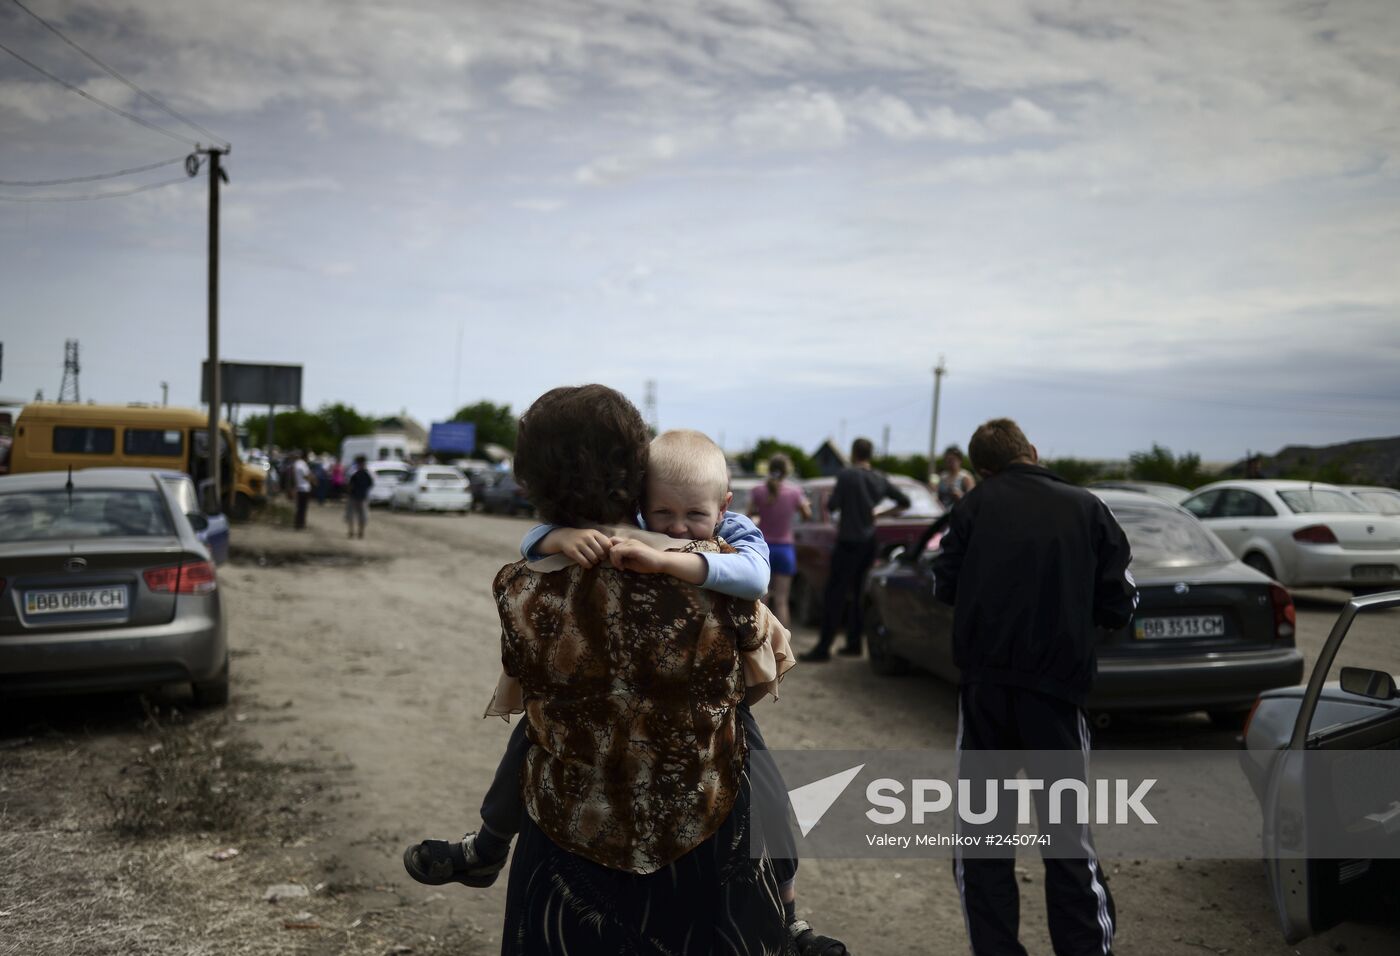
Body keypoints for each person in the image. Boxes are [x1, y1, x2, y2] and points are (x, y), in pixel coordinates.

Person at [403, 393, 844, 955]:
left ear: (528, 478)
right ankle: (789, 913)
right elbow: (761, 678)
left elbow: (526, 697)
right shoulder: (714, 573)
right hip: (702, 834)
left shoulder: (518, 589)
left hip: (565, 841)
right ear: (636, 470)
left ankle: (487, 846)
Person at [931, 418, 1138, 956]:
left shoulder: (971, 507)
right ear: (1034, 452)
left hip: (984, 695)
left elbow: (942, 583)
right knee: (1068, 841)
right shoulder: (1088, 506)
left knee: (982, 842)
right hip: (1057, 695)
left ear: (982, 470)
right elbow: (1121, 603)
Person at [801, 437, 910, 662]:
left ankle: (823, 648)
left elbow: (833, 506)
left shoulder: (847, 476)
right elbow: (904, 502)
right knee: (860, 593)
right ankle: (854, 644)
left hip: (848, 541)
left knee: (835, 595)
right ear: (870, 455)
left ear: (853, 453)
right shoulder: (879, 478)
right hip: (869, 543)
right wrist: (879, 514)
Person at [747, 453, 812, 628]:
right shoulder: (795, 491)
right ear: (787, 471)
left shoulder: (758, 490)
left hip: (763, 549)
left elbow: (749, 515)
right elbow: (807, 515)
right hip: (785, 550)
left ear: (769, 469)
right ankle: (784, 647)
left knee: (762, 599)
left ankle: (760, 640)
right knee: (782, 600)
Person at [935, 444, 976, 509]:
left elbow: (973, 499)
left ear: (960, 460)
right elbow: (936, 495)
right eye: (948, 460)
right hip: (943, 512)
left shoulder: (966, 477)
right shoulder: (942, 476)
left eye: (953, 459)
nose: (950, 462)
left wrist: (960, 496)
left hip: (960, 513)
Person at [345, 455, 372, 539]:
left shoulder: (353, 472)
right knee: (360, 516)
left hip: (355, 497)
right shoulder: (367, 473)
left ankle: (354, 532)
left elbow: (349, 485)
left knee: (353, 515)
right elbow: (370, 485)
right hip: (361, 497)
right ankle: (358, 532)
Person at [292, 450, 313, 530]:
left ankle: (298, 523)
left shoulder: (296, 464)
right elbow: (306, 475)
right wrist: (312, 480)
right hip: (304, 488)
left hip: (299, 487)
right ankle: (301, 524)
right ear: (306, 457)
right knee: (303, 508)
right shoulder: (303, 464)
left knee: (299, 507)